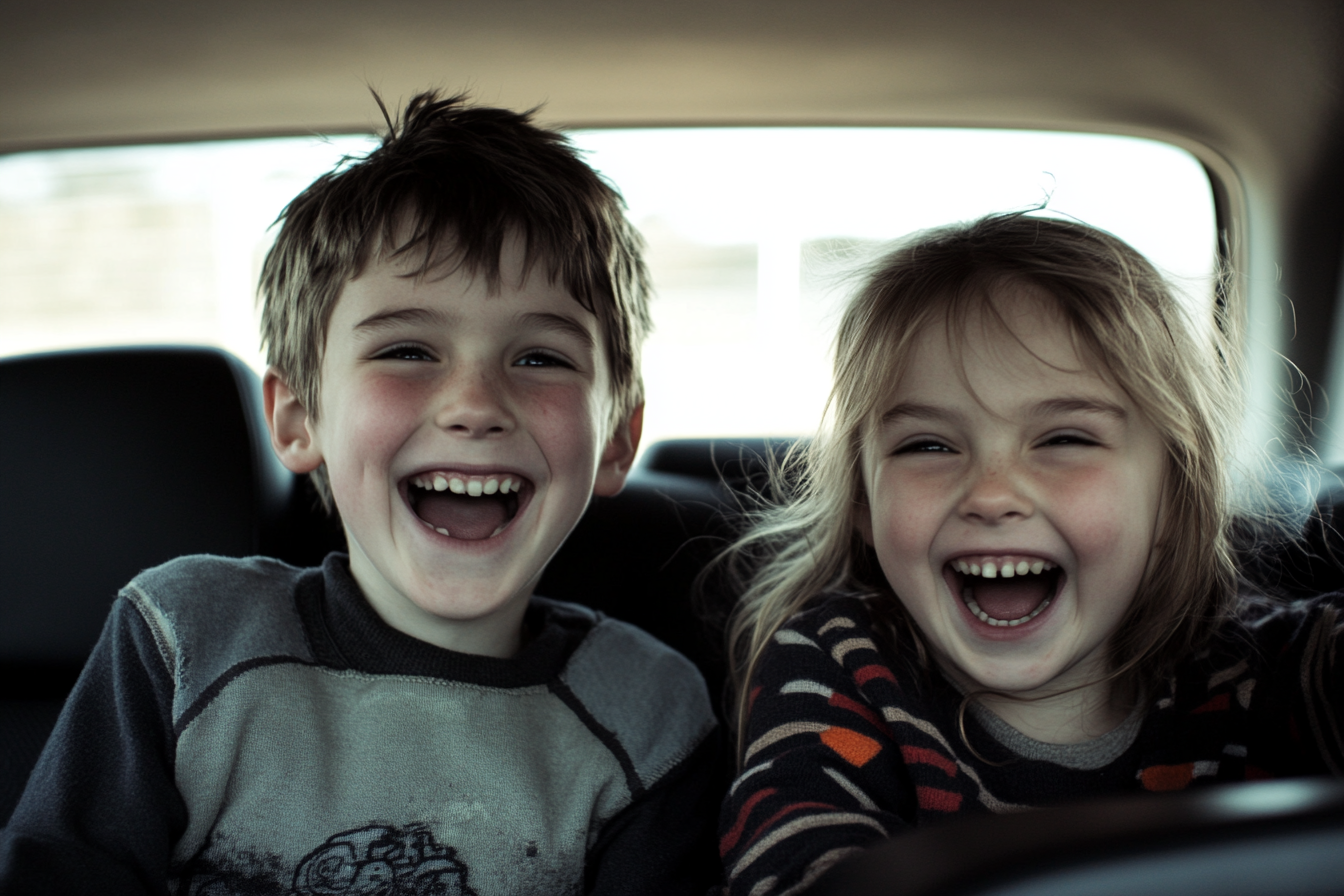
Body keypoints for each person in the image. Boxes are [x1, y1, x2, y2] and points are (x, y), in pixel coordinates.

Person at [1, 91, 720, 895]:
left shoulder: (648, 716)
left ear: (618, 435)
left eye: (541, 358)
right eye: (409, 350)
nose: (474, 404)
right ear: (302, 417)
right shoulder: (187, 643)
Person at [716, 212, 1344, 895]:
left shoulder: (1261, 670)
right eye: (928, 446)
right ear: (865, 506)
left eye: (1064, 439)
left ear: (1172, 496)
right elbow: (801, 866)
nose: (991, 494)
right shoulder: (840, 664)